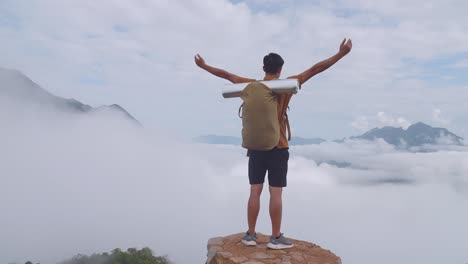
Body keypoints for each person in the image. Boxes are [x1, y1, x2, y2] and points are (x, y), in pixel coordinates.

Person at [194, 38, 352, 249]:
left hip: (256, 148)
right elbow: (315, 69)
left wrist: (204, 66)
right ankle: (275, 238)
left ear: (263, 68)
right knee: (275, 193)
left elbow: (226, 75)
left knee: (254, 190)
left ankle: (250, 235)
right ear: (280, 70)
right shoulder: (286, 85)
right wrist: (341, 54)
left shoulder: (251, 85)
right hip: (278, 148)